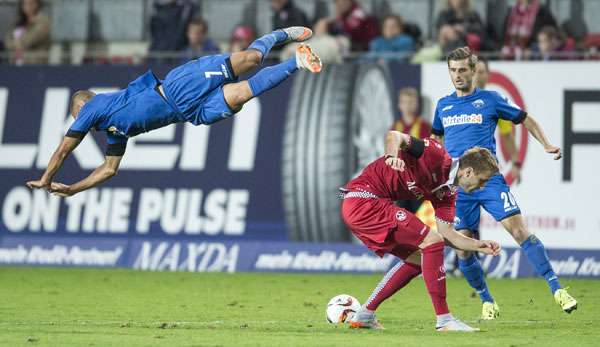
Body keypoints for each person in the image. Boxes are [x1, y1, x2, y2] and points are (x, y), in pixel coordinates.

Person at [26, 27, 321, 197]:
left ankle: (282, 34)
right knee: (246, 92)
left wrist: (45, 178)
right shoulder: (115, 129)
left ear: (81, 108)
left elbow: (64, 149)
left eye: (76, 117)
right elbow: (109, 169)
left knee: (252, 58)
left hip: (179, 86)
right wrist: (74, 189)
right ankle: (297, 62)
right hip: (190, 112)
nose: (79, 123)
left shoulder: (93, 106)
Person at [430, 47, 577, 320]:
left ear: (474, 71)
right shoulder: (443, 105)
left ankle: (557, 289)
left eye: (463, 70)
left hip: (489, 182)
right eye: (453, 70)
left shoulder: (490, 100)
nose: (458, 75)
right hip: (457, 187)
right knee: (463, 249)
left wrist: (546, 144)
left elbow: (525, 119)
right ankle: (487, 301)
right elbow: (435, 140)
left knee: (518, 230)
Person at [342, 131, 502, 331]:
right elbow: (394, 136)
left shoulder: (447, 194)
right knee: (432, 241)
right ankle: (444, 320)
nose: (482, 187)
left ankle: (365, 315)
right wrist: (391, 156)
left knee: (420, 260)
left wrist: (478, 245)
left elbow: (448, 234)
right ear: (468, 172)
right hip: (363, 200)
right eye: (482, 180)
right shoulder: (436, 154)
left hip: (365, 207)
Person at [474, 57, 521, 182]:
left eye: (481, 72)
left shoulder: (494, 103)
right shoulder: (459, 101)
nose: (478, 76)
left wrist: (516, 163)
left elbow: (507, 135)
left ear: (488, 75)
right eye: (475, 71)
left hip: (486, 168)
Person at [3, 0, 50, 65]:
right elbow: (7, 41)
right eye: (25, 3)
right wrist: (16, 45)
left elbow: (31, 40)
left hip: (35, 63)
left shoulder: (43, 21)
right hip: (15, 62)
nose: (28, 6)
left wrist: (18, 43)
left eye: (31, 3)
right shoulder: (18, 21)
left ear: (38, 4)